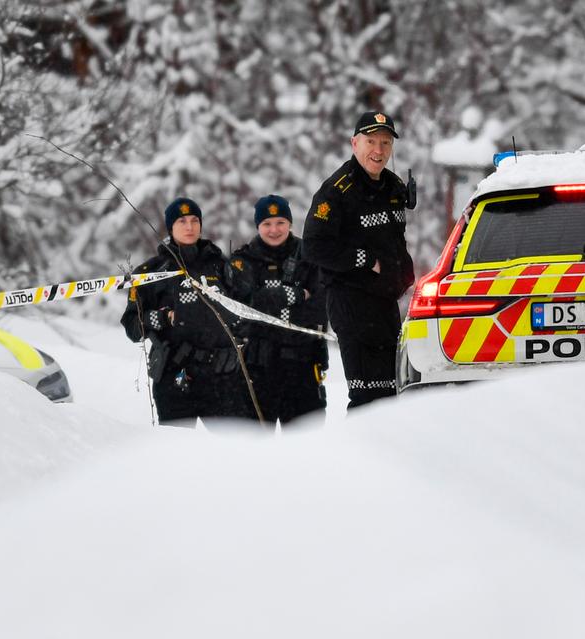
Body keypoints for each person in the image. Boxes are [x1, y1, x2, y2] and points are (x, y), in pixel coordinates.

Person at [301, 111, 414, 409]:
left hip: (386, 304)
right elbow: (312, 247)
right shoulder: (336, 191)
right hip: (351, 302)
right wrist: (365, 260)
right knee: (366, 399)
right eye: (371, 141)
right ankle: (359, 453)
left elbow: (393, 238)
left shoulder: (392, 186)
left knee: (390, 395)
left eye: (385, 143)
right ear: (354, 143)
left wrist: (402, 270)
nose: (378, 151)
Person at [120, 197, 245, 427]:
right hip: (174, 377)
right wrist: (159, 318)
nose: (189, 227)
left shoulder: (219, 264)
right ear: (170, 227)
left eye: (194, 220)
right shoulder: (151, 272)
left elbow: (242, 310)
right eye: (182, 221)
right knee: (176, 454)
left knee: (230, 454)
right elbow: (132, 327)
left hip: (220, 377)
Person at [227, 194, 328, 425]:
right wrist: (292, 295)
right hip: (256, 370)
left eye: (280, 222)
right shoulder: (243, 261)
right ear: (258, 226)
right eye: (267, 224)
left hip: (303, 368)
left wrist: (271, 307)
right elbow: (241, 307)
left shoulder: (310, 256)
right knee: (256, 449)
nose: (274, 230)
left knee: (307, 447)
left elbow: (323, 306)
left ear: (290, 223)